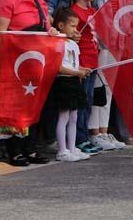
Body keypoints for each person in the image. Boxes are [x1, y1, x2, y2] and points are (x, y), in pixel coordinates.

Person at [0, 0, 56, 166]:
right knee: (15, 108)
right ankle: (15, 151)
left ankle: (31, 147)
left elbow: (47, 27)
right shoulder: (7, 1)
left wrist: (52, 32)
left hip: (38, 62)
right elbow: (1, 35)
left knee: (35, 105)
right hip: (15, 62)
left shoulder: (40, 0)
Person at [84, 0, 125, 150]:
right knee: (99, 87)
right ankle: (94, 132)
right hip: (100, 40)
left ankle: (104, 130)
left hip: (116, 38)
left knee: (109, 88)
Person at [69, 0, 103, 156]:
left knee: (89, 100)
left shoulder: (92, 11)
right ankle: (79, 138)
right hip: (82, 62)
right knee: (81, 102)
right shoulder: (74, 11)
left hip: (93, 59)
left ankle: (85, 136)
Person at [52, 9, 91, 162]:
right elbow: (58, 67)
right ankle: (62, 150)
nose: (76, 30)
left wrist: (82, 70)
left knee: (74, 117)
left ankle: (72, 147)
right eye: (72, 26)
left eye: (76, 26)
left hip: (74, 81)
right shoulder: (58, 43)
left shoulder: (74, 45)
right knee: (64, 117)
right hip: (64, 81)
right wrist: (77, 73)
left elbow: (74, 65)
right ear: (61, 26)